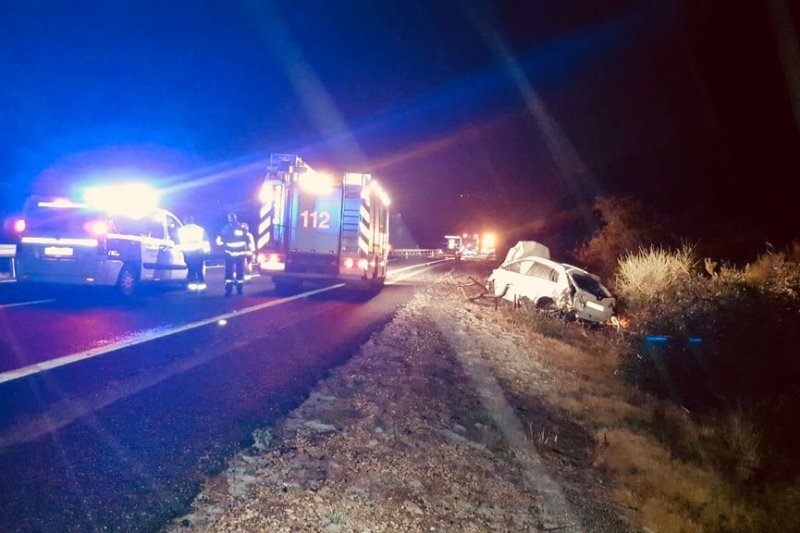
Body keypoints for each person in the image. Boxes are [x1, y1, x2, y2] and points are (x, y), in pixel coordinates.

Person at [216, 212, 249, 296]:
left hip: (231, 254)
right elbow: (247, 238)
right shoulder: (241, 227)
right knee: (238, 272)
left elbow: (220, 240)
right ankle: (238, 289)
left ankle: (230, 290)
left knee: (230, 272)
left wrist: (221, 244)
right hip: (237, 254)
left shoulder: (227, 228)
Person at [178, 215, 210, 292]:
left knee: (191, 271)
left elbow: (178, 243)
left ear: (185, 221)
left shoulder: (181, 230)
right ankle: (202, 288)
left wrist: (179, 252)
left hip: (188, 253)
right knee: (199, 270)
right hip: (199, 253)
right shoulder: (199, 229)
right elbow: (205, 241)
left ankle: (192, 289)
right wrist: (207, 251)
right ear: (192, 220)